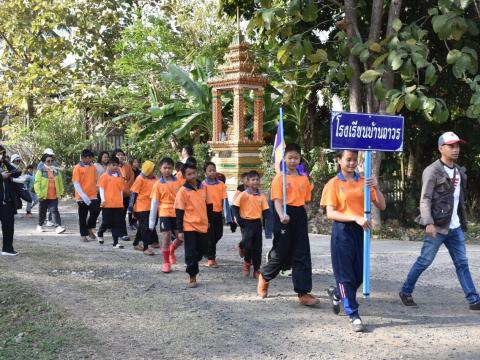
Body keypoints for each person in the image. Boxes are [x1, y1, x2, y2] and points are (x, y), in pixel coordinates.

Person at [399, 131, 480, 311]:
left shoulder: (459, 171)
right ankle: (405, 291)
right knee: (424, 261)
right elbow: (425, 198)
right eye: (451, 146)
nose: (455, 149)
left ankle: (474, 299)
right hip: (437, 226)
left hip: (455, 227)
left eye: (457, 146)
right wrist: (428, 222)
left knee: (462, 263)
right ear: (440, 148)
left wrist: (462, 221)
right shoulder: (432, 171)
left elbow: (459, 202)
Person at [320, 150, 386, 332]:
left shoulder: (364, 181)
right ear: (339, 160)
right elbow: (331, 213)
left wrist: (377, 187)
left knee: (360, 274)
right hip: (342, 231)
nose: (351, 163)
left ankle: (336, 293)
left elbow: (382, 205)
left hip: (361, 231)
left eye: (354, 160)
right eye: (348, 159)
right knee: (345, 275)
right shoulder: (333, 184)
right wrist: (354, 218)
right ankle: (353, 314)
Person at [257, 144, 318, 307]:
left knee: (302, 252)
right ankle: (265, 275)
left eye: (296, 157)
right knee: (281, 252)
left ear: (300, 159)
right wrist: (282, 214)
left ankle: (303, 292)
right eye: (290, 157)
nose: (293, 160)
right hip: (283, 214)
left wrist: (305, 216)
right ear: (284, 158)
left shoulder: (303, 178)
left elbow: (304, 200)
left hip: (299, 215)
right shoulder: (279, 178)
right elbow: (277, 200)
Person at [174, 162, 208, 288]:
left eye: (194, 173)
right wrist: (180, 230)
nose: (192, 176)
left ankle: (194, 262)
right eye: (189, 174)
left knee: (203, 250)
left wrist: (209, 220)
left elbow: (208, 205)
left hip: (203, 224)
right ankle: (192, 276)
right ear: (184, 176)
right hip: (189, 226)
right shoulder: (182, 191)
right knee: (191, 252)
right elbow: (179, 211)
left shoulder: (203, 187)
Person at [232, 171, 269, 278]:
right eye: (253, 180)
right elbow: (234, 207)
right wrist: (238, 220)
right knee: (248, 245)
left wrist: (267, 222)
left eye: (257, 179)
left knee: (257, 247)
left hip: (257, 223)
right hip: (245, 223)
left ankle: (257, 269)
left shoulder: (261, 196)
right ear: (247, 182)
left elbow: (266, 210)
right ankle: (247, 262)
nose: (255, 181)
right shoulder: (244, 194)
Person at [149, 157, 184, 271]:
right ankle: (166, 262)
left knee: (181, 237)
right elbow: (154, 203)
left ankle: (172, 249)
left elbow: (184, 199)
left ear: (173, 168)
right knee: (166, 236)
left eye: (169, 168)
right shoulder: (157, 184)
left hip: (177, 213)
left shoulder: (179, 182)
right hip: (164, 212)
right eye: (165, 168)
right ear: (160, 168)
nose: (167, 170)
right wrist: (152, 221)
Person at [128, 160, 158, 255]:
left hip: (152, 207)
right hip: (141, 207)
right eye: (152, 170)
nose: (153, 172)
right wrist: (130, 207)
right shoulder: (140, 178)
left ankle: (136, 243)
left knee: (144, 227)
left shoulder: (155, 179)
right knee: (145, 227)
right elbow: (134, 193)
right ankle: (145, 248)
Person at [202, 161, 228, 268]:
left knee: (219, 234)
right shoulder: (203, 185)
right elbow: (201, 200)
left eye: (214, 170)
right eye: (210, 171)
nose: (212, 172)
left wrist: (227, 216)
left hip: (218, 212)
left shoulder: (221, 184)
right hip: (208, 212)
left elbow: (225, 199)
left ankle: (206, 248)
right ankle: (211, 258)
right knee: (211, 236)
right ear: (205, 173)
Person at [97, 157, 126, 249]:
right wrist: (103, 200)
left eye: (117, 165)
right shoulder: (104, 176)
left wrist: (121, 203)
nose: (115, 167)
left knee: (116, 223)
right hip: (107, 204)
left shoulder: (120, 177)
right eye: (113, 165)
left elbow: (121, 191)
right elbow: (101, 189)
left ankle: (115, 242)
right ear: (108, 165)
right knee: (106, 222)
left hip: (118, 204)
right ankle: (100, 232)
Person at [72, 149, 100, 242]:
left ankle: (89, 228)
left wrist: (97, 189)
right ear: (85, 158)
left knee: (95, 211)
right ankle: (83, 234)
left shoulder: (93, 167)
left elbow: (96, 179)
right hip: (81, 197)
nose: (92, 160)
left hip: (93, 195)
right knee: (83, 216)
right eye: (90, 158)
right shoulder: (77, 167)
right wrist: (84, 197)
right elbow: (76, 183)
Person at [34, 153, 65, 234]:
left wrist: (61, 192)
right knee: (42, 212)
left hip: (54, 195)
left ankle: (58, 227)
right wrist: (39, 194)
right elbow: (37, 183)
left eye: (51, 161)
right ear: (44, 162)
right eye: (48, 161)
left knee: (54, 210)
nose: (50, 162)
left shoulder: (56, 171)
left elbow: (60, 182)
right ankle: (40, 225)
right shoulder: (40, 171)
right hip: (43, 196)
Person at [0, 145, 21, 255]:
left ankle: (7, 249)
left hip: (6, 201)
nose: (1, 155)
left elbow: (17, 172)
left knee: (8, 225)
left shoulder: (3, 164)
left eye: (2, 153)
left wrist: (6, 162)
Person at [112, 148, 134, 239]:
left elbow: (132, 177)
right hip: (116, 194)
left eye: (121, 154)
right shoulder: (112, 167)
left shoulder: (128, 166)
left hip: (126, 193)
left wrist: (126, 186)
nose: (120, 156)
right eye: (118, 155)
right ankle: (122, 233)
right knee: (119, 214)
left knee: (123, 213)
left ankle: (120, 232)